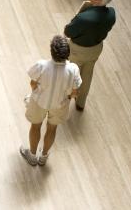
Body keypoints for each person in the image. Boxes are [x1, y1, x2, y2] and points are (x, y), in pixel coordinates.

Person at [20, 35, 82, 167]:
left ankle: (32, 155)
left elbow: (32, 83)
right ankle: (44, 156)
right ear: (67, 53)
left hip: (39, 102)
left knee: (35, 127)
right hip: (60, 105)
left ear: (52, 51)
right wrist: (68, 97)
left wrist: (37, 91)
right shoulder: (73, 69)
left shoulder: (41, 65)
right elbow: (75, 92)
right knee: (52, 129)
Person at [64, 0, 116, 111]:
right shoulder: (112, 13)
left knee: (71, 75)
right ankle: (81, 103)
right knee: (87, 76)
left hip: (78, 51)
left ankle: (65, 100)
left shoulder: (84, 18)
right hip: (96, 49)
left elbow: (68, 32)